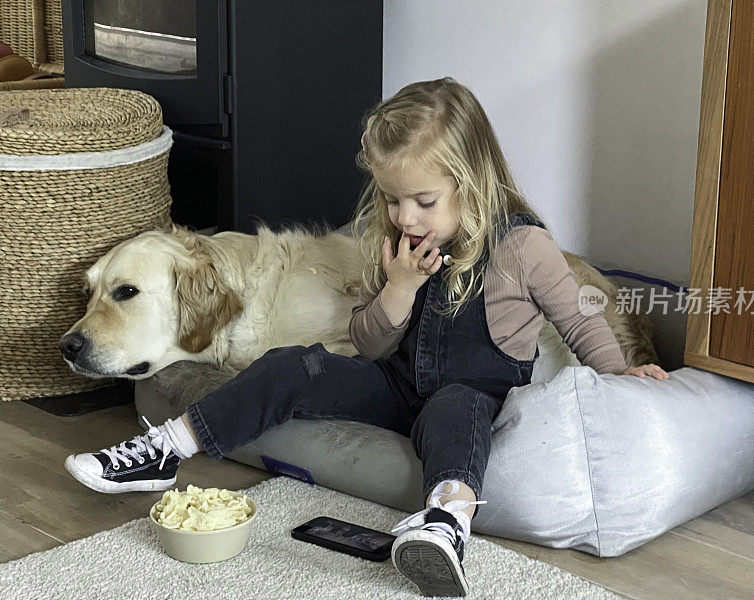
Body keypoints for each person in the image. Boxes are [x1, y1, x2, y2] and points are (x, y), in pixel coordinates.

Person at [65, 77, 668, 597]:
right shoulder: (397, 245)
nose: (405, 217)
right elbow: (373, 345)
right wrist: (399, 290)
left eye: (423, 201)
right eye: (392, 199)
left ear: (473, 180)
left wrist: (619, 375)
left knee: (456, 409)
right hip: (396, 383)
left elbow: (580, 319)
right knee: (293, 363)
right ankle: (166, 449)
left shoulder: (523, 248)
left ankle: (445, 525)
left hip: (471, 396)